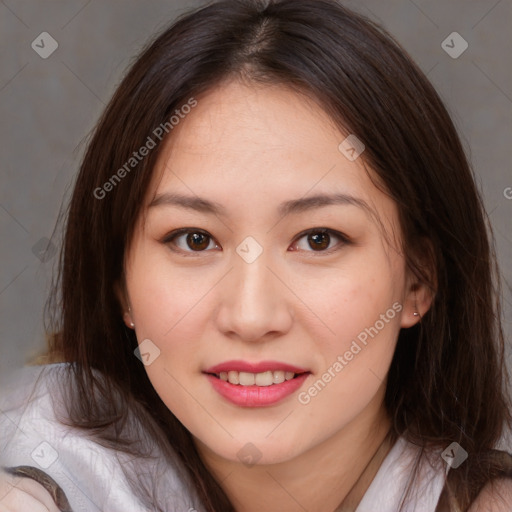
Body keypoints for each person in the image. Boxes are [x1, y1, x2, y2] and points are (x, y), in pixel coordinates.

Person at [1, 0, 511, 510]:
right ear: (119, 283)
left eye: (318, 239)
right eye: (194, 239)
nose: (251, 316)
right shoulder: (40, 470)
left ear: (417, 279)